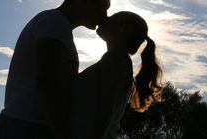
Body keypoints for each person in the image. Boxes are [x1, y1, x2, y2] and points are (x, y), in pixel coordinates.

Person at [0, 0, 113, 139]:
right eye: (103, 7)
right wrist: (61, 134)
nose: (104, 16)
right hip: (24, 127)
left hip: (27, 126)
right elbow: (48, 80)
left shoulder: (59, 27)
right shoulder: (54, 23)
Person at [68, 11, 163, 139]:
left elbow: (105, 111)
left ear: (124, 29)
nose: (104, 17)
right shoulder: (117, 61)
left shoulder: (115, 60)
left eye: (112, 17)